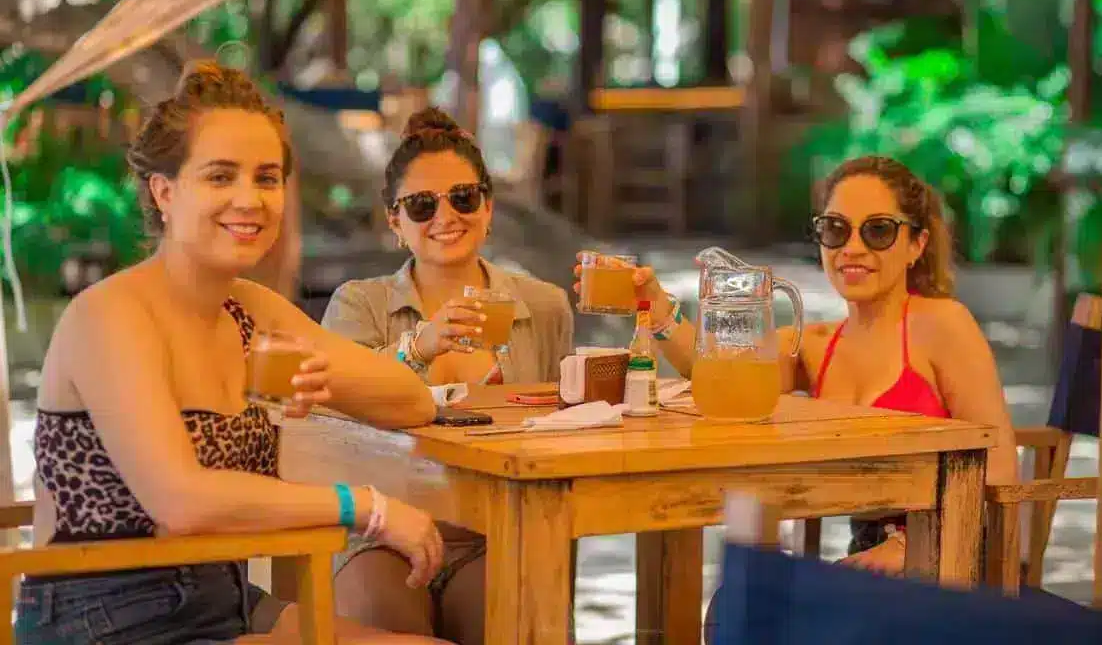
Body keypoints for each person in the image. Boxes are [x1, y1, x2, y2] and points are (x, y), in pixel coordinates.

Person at [18, 61, 450, 645]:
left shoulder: (250, 310)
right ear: (164, 192)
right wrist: (366, 507)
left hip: (225, 597)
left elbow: (412, 401)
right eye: (221, 176)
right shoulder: (112, 315)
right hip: (105, 615)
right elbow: (181, 501)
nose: (249, 199)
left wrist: (323, 378)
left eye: (267, 178)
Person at [576, 155, 1018, 576]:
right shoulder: (816, 345)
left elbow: (999, 469)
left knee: (754, 609)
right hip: (868, 557)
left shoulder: (942, 324)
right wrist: (654, 304)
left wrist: (910, 549)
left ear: (916, 245)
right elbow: (714, 371)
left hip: (951, 556)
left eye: (878, 230)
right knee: (735, 604)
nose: (853, 248)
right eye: (836, 229)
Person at [322, 107, 574, 644]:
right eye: (421, 205)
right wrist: (419, 347)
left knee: (522, 623)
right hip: (382, 533)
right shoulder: (359, 304)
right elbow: (333, 410)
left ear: (488, 206)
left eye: (463, 197)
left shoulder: (543, 306)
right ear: (395, 221)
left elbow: (563, 428)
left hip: (493, 535)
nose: (446, 216)